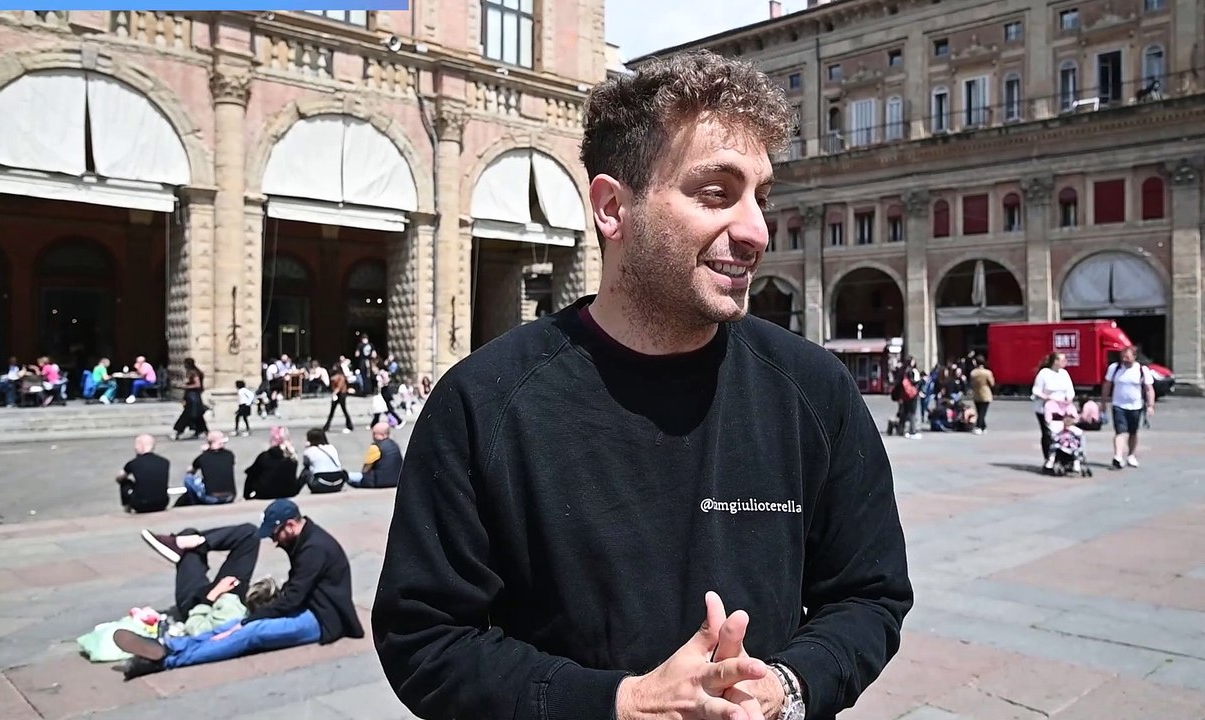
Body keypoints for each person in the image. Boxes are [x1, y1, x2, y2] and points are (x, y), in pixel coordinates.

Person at [371, 49, 912, 720]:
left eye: (761, 198)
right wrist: (619, 703)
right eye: (717, 192)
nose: (755, 230)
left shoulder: (814, 390)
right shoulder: (484, 403)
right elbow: (423, 640)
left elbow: (870, 594)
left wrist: (788, 688)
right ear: (611, 208)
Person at [115, 499, 365, 678]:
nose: (274, 541)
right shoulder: (304, 539)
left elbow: (293, 598)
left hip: (322, 619)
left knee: (251, 632)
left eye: (275, 534)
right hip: (307, 606)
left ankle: (167, 660)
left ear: (290, 525)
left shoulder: (314, 549)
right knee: (232, 626)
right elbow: (295, 590)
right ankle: (173, 645)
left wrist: (251, 619)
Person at [1102, 345, 1155, 469]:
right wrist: (1103, 402)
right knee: (1119, 431)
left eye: (1127, 357)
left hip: (1136, 406)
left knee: (1133, 432)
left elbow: (1149, 389)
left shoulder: (1142, 370)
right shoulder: (1114, 368)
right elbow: (1107, 385)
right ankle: (1118, 457)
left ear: (1134, 357)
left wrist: (1150, 405)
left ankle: (1131, 455)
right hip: (1118, 405)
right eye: (1123, 357)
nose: (1124, 360)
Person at [1031, 352, 1074, 463]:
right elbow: (1036, 390)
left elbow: (1070, 390)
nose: (1065, 362)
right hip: (1045, 408)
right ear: (1055, 361)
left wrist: (1068, 399)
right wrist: (1047, 397)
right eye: (1062, 360)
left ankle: (1062, 457)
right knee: (1048, 433)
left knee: (1063, 433)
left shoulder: (1064, 373)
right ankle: (1048, 458)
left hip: (1061, 409)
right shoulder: (1044, 373)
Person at [177, 431, 237, 506]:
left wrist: (205, 452)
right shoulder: (230, 455)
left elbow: (191, 470)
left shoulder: (203, 457)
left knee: (188, 478)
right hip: (230, 496)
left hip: (212, 497)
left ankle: (194, 502)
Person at [115, 434, 170, 514]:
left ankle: (127, 510)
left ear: (140, 446)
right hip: (162, 503)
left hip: (141, 504)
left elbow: (119, 477)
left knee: (125, 482)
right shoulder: (165, 462)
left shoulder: (133, 463)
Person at [243, 427, 301, 500]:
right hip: (289, 492)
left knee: (253, 473)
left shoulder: (265, 456)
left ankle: (247, 495)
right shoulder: (292, 456)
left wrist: (247, 494)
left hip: (266, 493)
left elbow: (251, 473)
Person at [346, 422, 402, 489]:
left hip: (379, 482)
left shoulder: (375, 447)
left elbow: (366, 469)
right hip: (396, 480)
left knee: (348, 475)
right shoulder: (395, 445)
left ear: (377, 434)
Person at [172, 358, 208, 440]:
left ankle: (179, 431)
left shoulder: (193, 373)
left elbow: (197, 384)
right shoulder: (193, 372)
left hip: (193, 397)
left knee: (187, 415)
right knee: (197, 415)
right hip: (192, 397)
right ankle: (202, 431)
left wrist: (185, 386)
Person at [892, 356, 922, 439]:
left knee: (904, 413)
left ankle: (900, 429)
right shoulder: (910, 371)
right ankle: (912, 430)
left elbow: (898, 384)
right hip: (911, 395)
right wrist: (920, 381)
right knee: (912, 412)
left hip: (904, 395)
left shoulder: (902, 371)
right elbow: (913, 382)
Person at [323, 363, 354, 434]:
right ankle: (326, 426)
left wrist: (334, 393)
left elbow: (339, 387)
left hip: (341, 394)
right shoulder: (334, 377)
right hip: (337, 394)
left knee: (344, 410)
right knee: (332, 411)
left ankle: (349, 425)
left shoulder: (341, 377)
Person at [969, 356, 995, 434]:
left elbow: (972, 383)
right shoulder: (987, 373)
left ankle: (983, 426)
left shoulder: (973, 373)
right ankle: (979, 426)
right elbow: (992, 383)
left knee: (979, 411)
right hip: (985, 393)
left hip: (976, 393)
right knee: (982, 412)